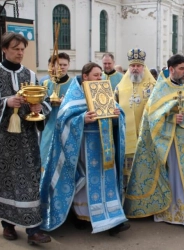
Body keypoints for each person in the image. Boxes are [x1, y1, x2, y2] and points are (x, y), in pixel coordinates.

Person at [123, 54, 184, 226]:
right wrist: (170, 120)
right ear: (171, 69)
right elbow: (151, 118)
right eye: (182, 69)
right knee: (177, 175)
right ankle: (175, 211)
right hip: (172, 141)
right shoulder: (161, 89)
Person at [40, 62, 129, 235]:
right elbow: (62, 121)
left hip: (105, 146)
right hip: (82, 146)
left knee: (107, 181)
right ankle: (81, 216)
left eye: (101, 75)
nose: (100, 78)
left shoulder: (104, 91)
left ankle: (113, 220)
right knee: (85, 182)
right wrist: (82, 119)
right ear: (85, 76)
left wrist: (118, 116)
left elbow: (117, 114)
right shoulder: (74, 95)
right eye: (96, 75)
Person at [0, 32, 51, 244]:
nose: (20, 53)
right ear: (4, 49)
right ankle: (8, 225)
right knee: (4, 182)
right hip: (0, 141)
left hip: (26, 140)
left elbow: (46, 101)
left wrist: (39, 107)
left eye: (22, 49)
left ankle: (33, 230)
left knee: (30, 182)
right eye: (15, 49)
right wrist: (5, 102)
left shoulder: (31, 76)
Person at [114, 48, 155, 187]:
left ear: (143, 67)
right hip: (126, 135)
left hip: (146, 135)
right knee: (127, 170)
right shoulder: (120, 87)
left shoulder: (153, 86)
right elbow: (114, 106)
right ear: (129, 67)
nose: (135, 69)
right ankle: (127, 189)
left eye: (138, 66)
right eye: (132, 66)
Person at [40, 52, 73, 170]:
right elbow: (38, 103)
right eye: (59, 64)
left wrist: (66, 102)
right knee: (45, 155)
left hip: (67, 126)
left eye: (65, 64)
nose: (62, 67)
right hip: (49, 126)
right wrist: (49, 101)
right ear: (53, 66)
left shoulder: (74, 84)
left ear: (69, 65)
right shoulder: (45, 83)